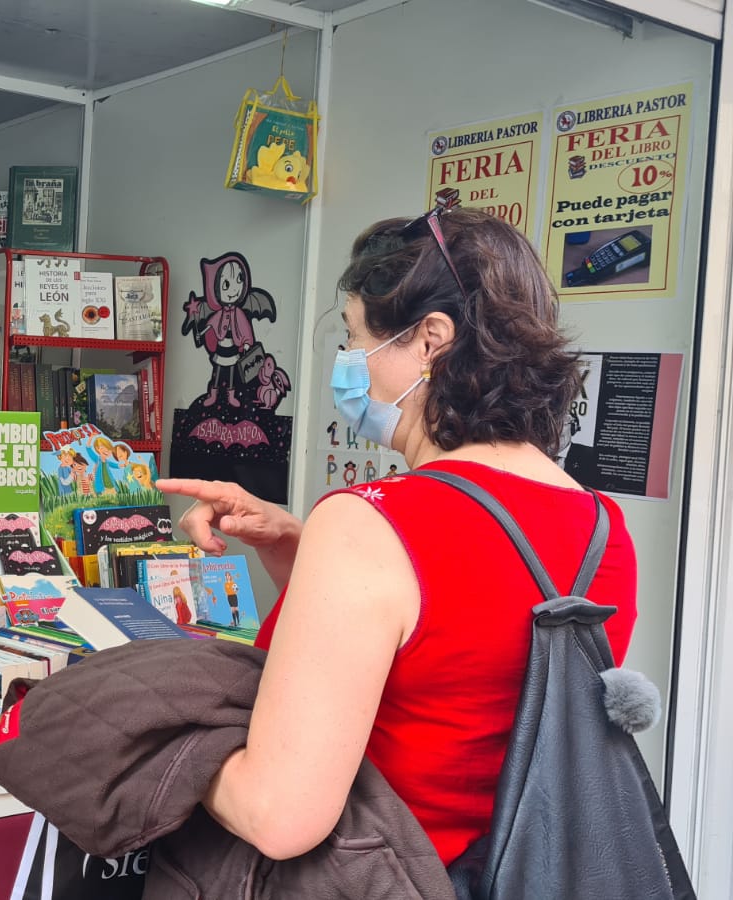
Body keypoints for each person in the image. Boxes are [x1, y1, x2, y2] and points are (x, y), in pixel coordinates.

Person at [155, 207, 638, 866]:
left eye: (356, 339)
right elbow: (439, 667)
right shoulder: (604, 528)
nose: (350, 364)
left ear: (432, 339)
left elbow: (279, 817)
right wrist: (298, 546)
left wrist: (165, 748)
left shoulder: (371, 522)